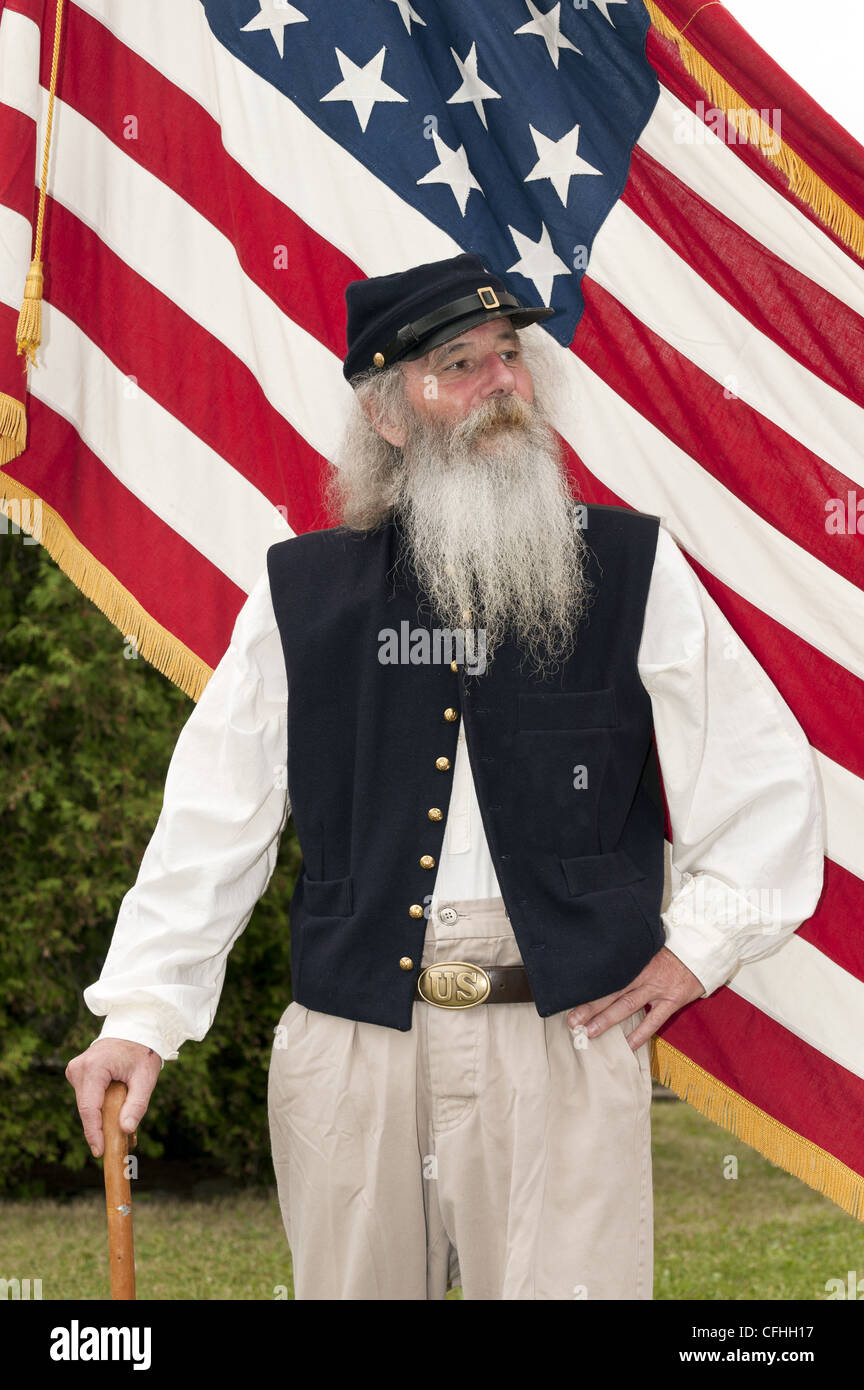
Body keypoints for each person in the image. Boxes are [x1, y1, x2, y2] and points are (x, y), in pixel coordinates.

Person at [66, 253, 825, 1301]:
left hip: (560, 1032)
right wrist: (139, 1016)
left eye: (508, 355)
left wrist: (695, 949)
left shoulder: (631, 569)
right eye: (456, 365)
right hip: (352, 1051)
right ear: (388, 414)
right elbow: (211, 823)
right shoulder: (301, 593)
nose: (500, 383)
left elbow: (762, 782)